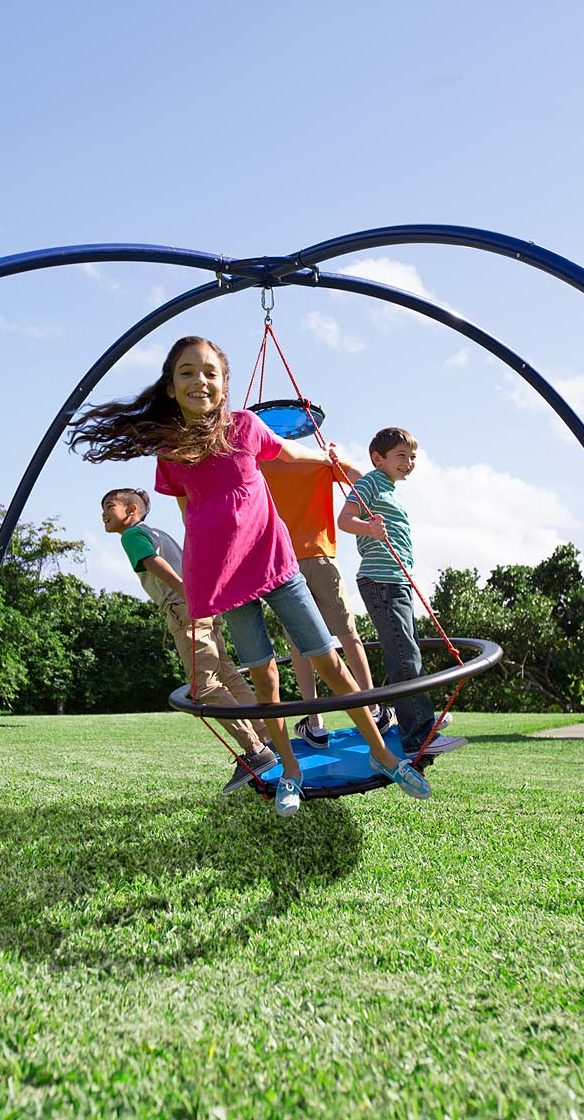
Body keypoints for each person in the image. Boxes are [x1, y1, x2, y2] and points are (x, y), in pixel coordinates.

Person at [68, 336, 432, 817]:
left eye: (209, 372)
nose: (200, 380)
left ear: (224, 384)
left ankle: (384, 755)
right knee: (264, 679)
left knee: (330, 663)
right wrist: (200, 578)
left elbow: (284, 452)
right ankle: (290, 774)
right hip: (227, 580)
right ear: (172, 387)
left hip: (277, 564)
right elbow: (189, 513)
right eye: (186, 373)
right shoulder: (172, 453)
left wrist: (327, 460)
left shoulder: (245, 426)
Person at [100, 486, 276, 794]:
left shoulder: (132, 536)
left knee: (203, 685)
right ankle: (265, 732)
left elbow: (154, 563)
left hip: (186, 608)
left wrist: (184, 593)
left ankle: (254, 750)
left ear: (130, 511)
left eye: (109, 505)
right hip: (205, 606)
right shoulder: (158, 532)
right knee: (227, 674)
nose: (102, 512)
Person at [338, 427, 467, 764]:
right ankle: (416, 735)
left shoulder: (390, 489)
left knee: (410, 652)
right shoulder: (369, 483)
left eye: (412, 457)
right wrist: (368, 528)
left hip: (398, 582)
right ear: (378, 459)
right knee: (404, 655)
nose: (409, 463)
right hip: (381, 582)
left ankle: (418, 717)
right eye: (401, 456)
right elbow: (345, 519)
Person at [258, 449, 397, 745]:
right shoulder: (317, 461)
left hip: (283, 563)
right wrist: (335, 458)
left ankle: (315, 721)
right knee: (348, 635)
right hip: (320, 556)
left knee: (299, 643)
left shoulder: (260, 465)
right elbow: (359, 479)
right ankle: (372, 709)